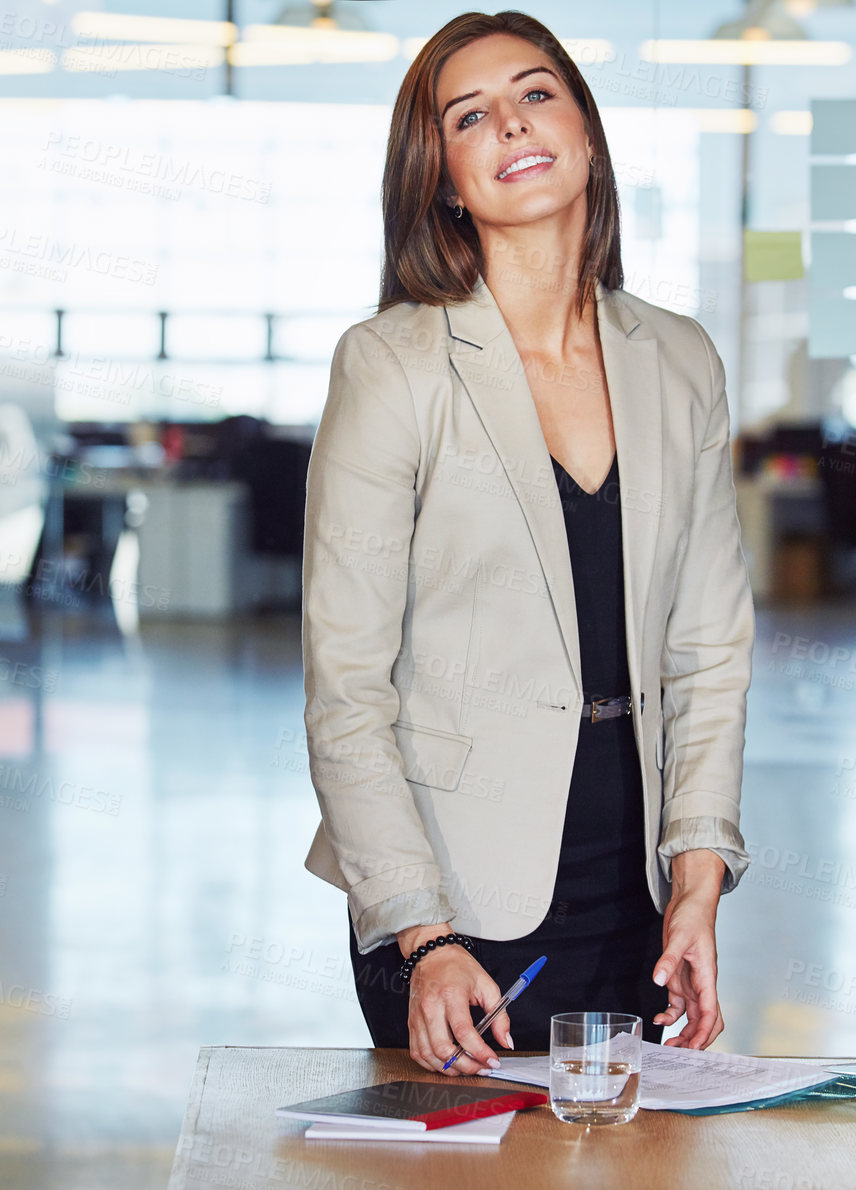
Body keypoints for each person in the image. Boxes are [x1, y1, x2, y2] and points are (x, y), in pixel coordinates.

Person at [300, 10, 756, 1076]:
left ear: (587, 134)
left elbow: (707, 650)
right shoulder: (392, 364)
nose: (511, 121)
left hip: (633, 889)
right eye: (471, 115)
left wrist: (695, 881)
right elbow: (346, 685)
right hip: (453, 894)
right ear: (445, 178)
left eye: (535, 92)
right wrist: (422, 930)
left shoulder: (679, 360)